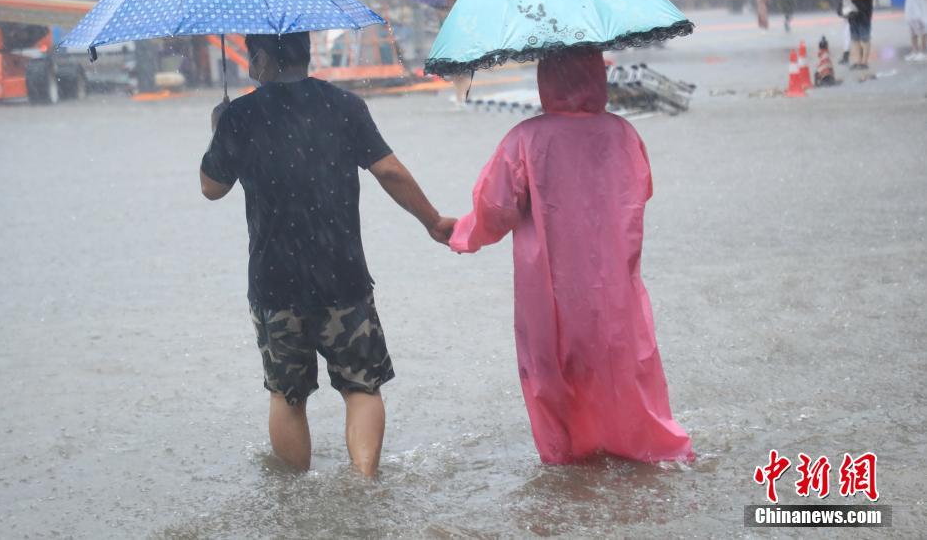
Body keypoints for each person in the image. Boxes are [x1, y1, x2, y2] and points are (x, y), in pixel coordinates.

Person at [200, 32, 455, 475]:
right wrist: (432, 221)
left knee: (287, 395)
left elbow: (211, 188)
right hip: (343, 276)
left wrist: (219, 128)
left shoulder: (239, 116)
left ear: (260, 59)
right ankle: (362, 482)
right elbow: (389, 171)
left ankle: (297, 499)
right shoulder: (344, 105)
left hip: (275, 281)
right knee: (362, 387)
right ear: (307, 53)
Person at [449, 48, 693, 465]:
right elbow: (640, 192)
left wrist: (460, 233)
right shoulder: (624, 134)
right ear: (597, 76)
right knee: (625, 366)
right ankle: (644, 448)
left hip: (550, 289)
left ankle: (570, 460)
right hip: (616, 286)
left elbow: (494, 209)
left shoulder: (525, 139)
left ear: (547, 80)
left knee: (553, 374)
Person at [847, 0, 874, 70]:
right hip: (853, 13)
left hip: (864, 13)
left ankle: (864, 61)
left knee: (864, 38)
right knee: (855, 38)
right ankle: (858, 60)